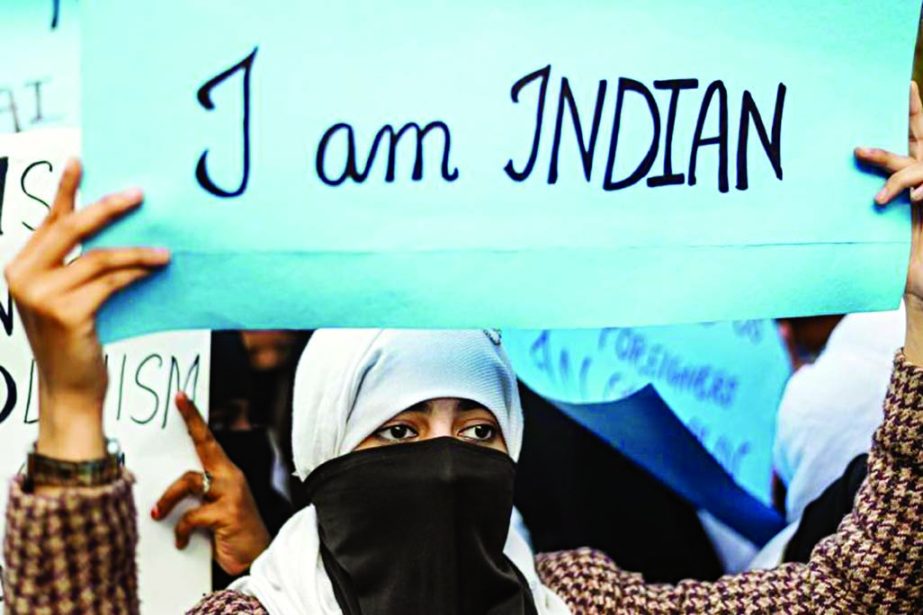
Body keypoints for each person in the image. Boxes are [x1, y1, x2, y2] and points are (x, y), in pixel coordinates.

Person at [4, 87, 923, 613]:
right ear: (325, 456)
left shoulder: (580, 599)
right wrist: (73, 407)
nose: (447, 466)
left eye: (479, 433)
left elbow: (853, 590)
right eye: (401, 434)